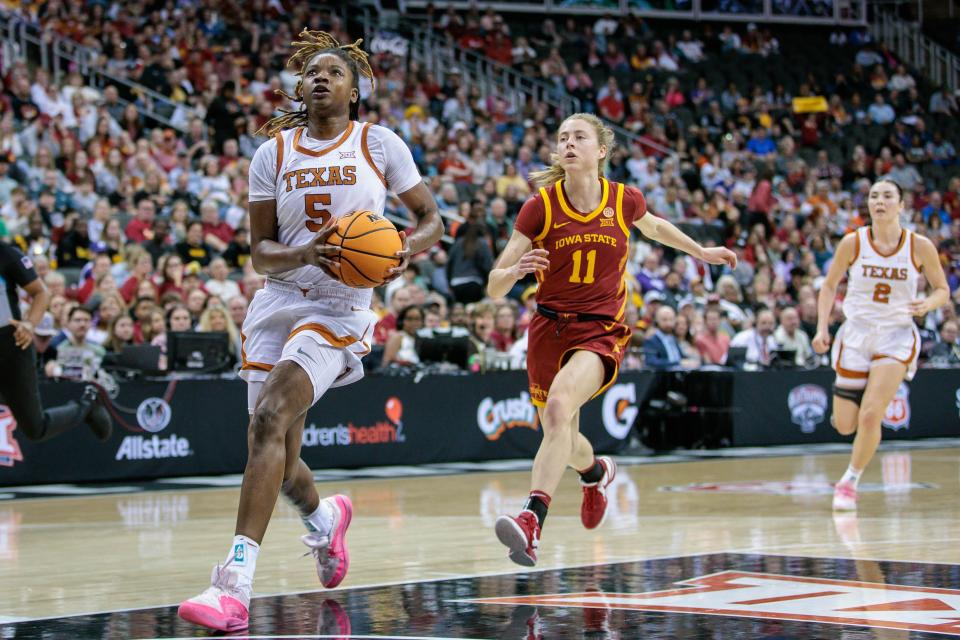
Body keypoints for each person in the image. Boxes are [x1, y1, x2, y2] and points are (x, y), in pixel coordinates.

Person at [177, 31, 442, 632]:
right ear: (301, 87)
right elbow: (261, 255)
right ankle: (325, 521)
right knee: (279, 455)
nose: (320, 78)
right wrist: (307, 252)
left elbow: (432, 219)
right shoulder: (272, 154)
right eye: (312, 73)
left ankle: (233, 586)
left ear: (355, 91)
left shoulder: (380, 143)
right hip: (279, 301)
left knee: (269, 418)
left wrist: (403, 247)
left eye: (334, 72)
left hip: (340, 307)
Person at [486, 113, 735, 566]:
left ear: (601, 150)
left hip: (600, 328)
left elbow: (655, 228)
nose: (568, 143)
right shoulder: (540, 206)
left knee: (560, 406)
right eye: (562, 137)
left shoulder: (624, 200)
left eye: (579, 136)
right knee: (560, 433)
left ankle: (531, 519)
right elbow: (494, 285)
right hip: (548, 328)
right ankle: (595, 471)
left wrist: (700, 252)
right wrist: (514, 271)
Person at [813, 179, 949, 511]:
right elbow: (829, 286)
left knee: (872, 413)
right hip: (857, 333)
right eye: (874, 196)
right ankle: (854, 424)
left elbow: (942, 289)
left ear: (901, 205)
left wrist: (928, 305)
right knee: (846, 424)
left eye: (888, 196)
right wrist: (821, 328)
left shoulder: (919, 246)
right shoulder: (853, 242)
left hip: (896, 333)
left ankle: (849, 481)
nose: (880, 201)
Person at [0, 239, 110, 443]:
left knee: (35, 428)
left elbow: (41, 292)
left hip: (13, 347)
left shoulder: (7, 255)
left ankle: (87, 406)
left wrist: (30, 324)